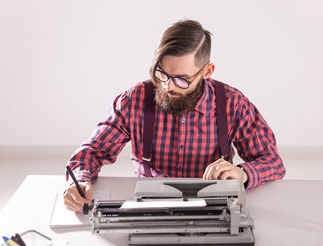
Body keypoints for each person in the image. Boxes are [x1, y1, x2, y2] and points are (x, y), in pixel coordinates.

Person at [64, 19, 286, 212]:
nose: (168, 86)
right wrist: (80, 180)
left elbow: (273, 162)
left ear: (207, 71)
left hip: (213, 207)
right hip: (150, 206)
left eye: (181, 79)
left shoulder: (232, 104)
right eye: (162, 74)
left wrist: (242, 174)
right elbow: (92, 151)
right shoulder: (134, 100)